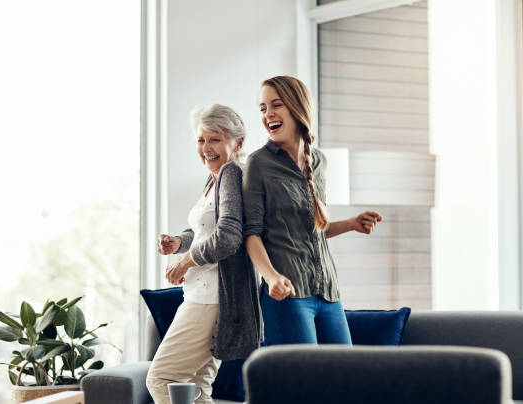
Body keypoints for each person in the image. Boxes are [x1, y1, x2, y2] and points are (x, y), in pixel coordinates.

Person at [243, 75, 382, 346]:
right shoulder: (258, 163)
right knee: (303, 383)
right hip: (288, 295)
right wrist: (271, 278)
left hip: (328, 292)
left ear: (297, 108)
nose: (268, 114)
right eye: (262, 108)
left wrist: (352, 224)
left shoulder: (319, 162)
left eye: (276, 105)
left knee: (345, 375)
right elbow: (252, 235)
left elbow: (314, 229)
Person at [146, 104, 262, 404]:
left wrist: (185, 261)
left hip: (211, 297)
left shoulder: (231, 173)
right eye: (201, 140)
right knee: (199, 388)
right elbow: (206, 231)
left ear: (237, 143)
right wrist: (179, 242)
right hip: (205, 293)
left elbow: (228, 238)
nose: (206, 148)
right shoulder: (215, 178)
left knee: (161, 378)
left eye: (215, 139)